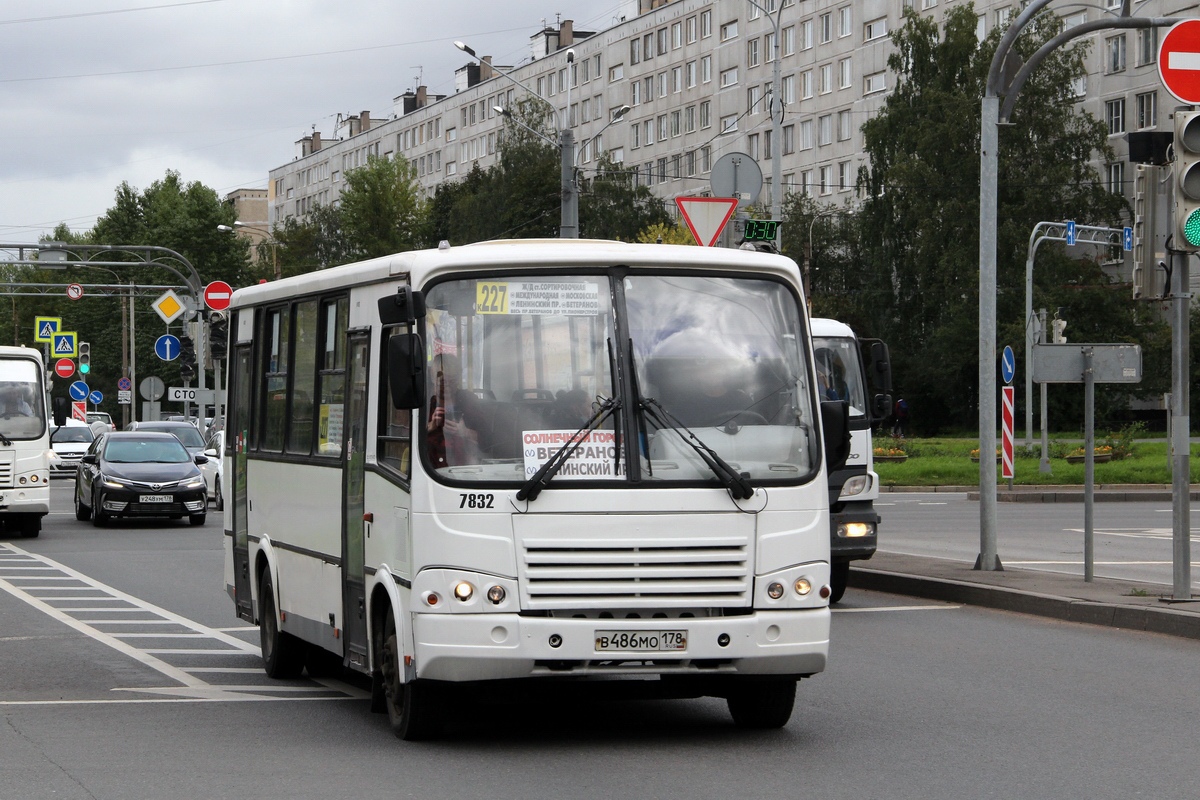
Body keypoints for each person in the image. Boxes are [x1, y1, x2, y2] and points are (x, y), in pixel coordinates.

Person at [426, 354, 479, 469]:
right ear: (432, 378)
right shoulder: (424, 403)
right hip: (430, 470)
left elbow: (489, 440)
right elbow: (408, 437)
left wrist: (465, 432)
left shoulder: (469, 401)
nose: (447, 386)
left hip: (468, 469)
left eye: (453, 380)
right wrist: (431, 426)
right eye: (443, 381)